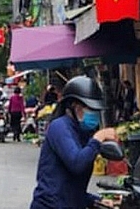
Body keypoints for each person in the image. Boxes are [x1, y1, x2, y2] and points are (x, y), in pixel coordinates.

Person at [30, 75, 117, 209]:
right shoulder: (59, 127)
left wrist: (94, 201)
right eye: (90, 109)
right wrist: (98, 138)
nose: (93, 115)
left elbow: (70, 186)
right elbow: (77, 164)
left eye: (95, 111)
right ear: (74, 106)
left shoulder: (82, 133)